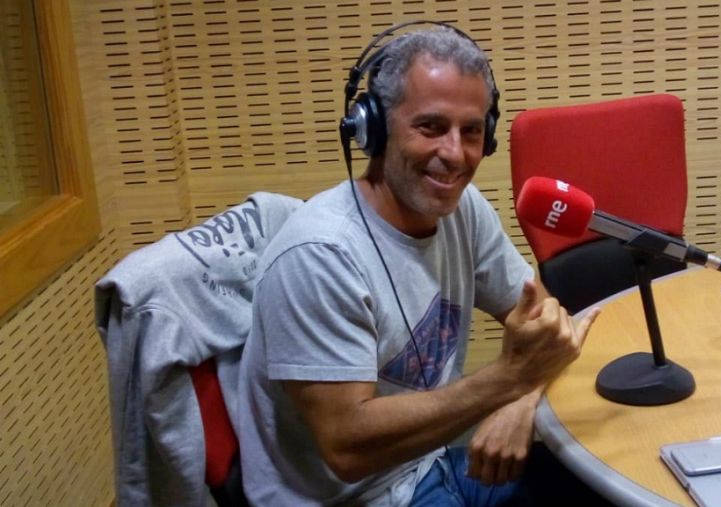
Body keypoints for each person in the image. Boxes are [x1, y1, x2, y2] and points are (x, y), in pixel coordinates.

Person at [238, 24, 605, 506]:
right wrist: (509, 380)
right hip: (356, 498)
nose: (455, 154)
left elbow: (547, 324)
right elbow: (347, 447)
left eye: (471, 131)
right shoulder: (321, 255)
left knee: (602, 480)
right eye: (430, 127)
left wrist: (521, 397)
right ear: (373, 129)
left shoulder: (463, 210)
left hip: (432, 463)